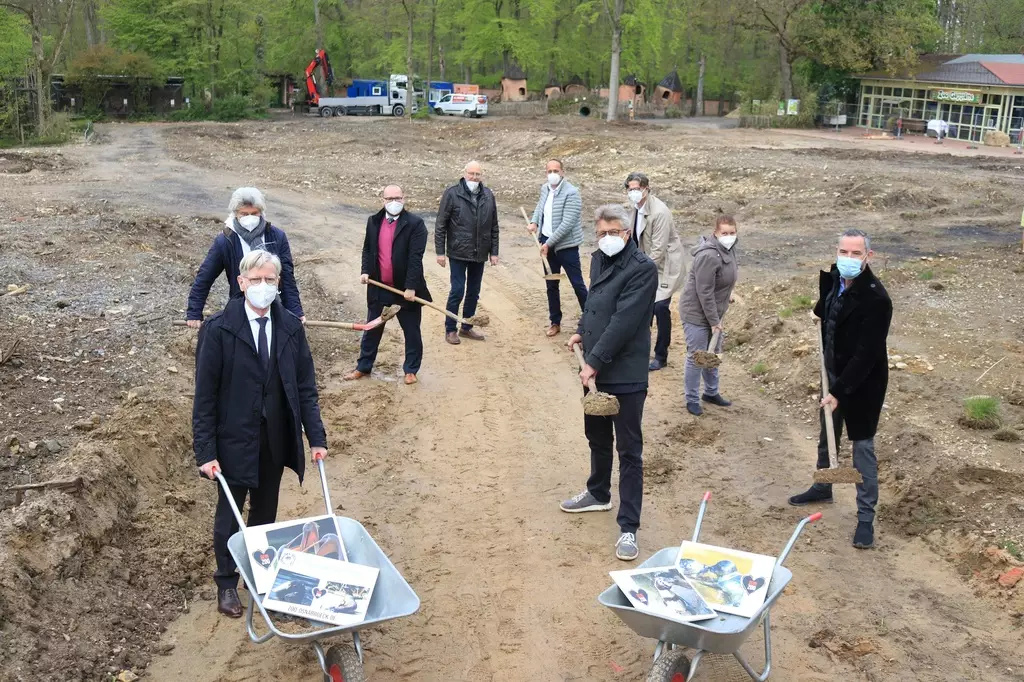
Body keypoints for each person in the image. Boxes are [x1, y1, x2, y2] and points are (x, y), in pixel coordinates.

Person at [192, 249, 328, 618]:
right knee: (230, 515)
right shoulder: (218, 329)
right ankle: (226, 582)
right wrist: (205, 452)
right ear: (241, 283)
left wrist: (316, 438)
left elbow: (306, 388)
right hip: (233, 440)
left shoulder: (290, 327)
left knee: (265, 513)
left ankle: (259, 577)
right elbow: (204, 397)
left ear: (278, 283)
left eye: (269, 279)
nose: (263, 286)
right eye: (255, 280)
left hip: (274, 438)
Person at [560, 204, 658, 561]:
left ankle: (629, 527)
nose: (606, 238)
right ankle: (598, 493)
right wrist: (580, 331)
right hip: (595, 366)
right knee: (597, 436)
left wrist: (594, 363)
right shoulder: (598, 259)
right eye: (601, 233)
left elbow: (624, 321)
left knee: (629, 451)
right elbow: (595, 305)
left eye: (613, 232)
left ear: (627, 233)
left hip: (625, 371)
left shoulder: (643, 269)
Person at [789, 229, 892, 550]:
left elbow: (866, 355)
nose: (848, 258)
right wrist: (818, 311)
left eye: (856, 253)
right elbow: (829, 308)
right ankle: (824, 487)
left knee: (862, 449)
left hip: (862, 384)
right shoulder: (836, 278)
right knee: (828, 435)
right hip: (833, 374)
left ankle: (865, 517)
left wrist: (839, 392)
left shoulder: (877, 300)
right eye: (843, 252)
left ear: (868, 257)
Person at [345, 185, 431, 385]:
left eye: (397, 198)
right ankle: (363, 367)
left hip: (404, 290)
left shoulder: (415, 224)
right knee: (372, 328)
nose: (394, 202)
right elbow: (368, 249)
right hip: (379, 287)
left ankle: (411, 370)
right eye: (389, 198)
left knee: (411, 331)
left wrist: (411, 287)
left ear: (404, 198)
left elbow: (415, 258)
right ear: (382, 200)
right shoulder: (373, 221)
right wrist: (365, 271)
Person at [186, 187, 304, 327]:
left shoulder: (276, 237)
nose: (250, 218)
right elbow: (205, 277)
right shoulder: (226, 241)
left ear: (261, 212)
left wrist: (295, 312)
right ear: (236, 214)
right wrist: (194, 312)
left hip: (273, 303)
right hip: (240, 306)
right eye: (244, 214)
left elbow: (287, 277)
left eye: (254, 213)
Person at [624, 172, 685, 370]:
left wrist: (640, 272)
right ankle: (639, 350)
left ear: (646, 189)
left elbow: (658, 250)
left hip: (665, 266)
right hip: (645, 263)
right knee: (643, 306)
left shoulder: (660, 213)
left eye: (637, 189)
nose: (634, 192)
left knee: (659, 307)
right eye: (631, 189)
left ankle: (661, 355)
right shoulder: (634, 207)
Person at [679, 215, 739, 416]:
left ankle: (711, 392)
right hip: (696, 313)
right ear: (716, 233)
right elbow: (704, 291)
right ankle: (692, 399)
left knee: (713, 355)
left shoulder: (729, 250)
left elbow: (722, 279)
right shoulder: (709, 256)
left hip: (715, 310)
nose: (729, 236)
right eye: (724, 233)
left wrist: (727, 296)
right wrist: (714, 321)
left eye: (732, 233)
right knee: (697, 357)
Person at [435, 160, 499, 345]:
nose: (474, 177)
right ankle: (450, 329)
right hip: (458, 251)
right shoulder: (452, 193)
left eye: (477, 174)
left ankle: (467, 326)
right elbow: (441, 224)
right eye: (471, 173)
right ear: (464, 173)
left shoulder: (488, 195)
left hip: (480, 252)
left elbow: (494, 226)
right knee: (457, 290)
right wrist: (440, 252)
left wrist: (494, 252)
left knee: (473, 291)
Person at [527, 159, 587, 337]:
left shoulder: (572, 193)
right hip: (546, 242)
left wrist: (548, 244)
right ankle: (555, 322)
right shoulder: (545, 188)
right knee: (551, 285)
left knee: (577, 284)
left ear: (562, 172)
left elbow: (567, 224)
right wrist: (534, 222)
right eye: (549, 171)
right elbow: (540, 206)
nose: (552, 174)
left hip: (566, 246)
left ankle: (591, 319)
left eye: (556, 170)